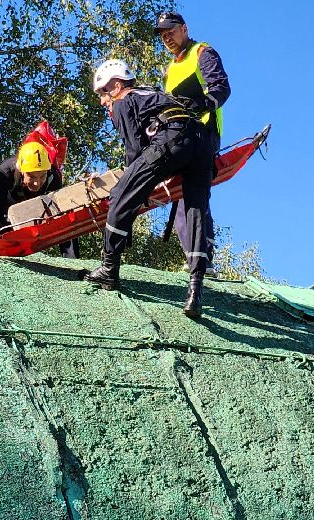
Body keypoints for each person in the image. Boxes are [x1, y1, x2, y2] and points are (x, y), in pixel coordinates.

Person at [83, 59, 216, 318]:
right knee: (196, 210)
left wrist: (134, 187)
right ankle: (196, 290)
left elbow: (134, 149)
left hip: (173, 138)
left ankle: (109, 270)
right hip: (202, 142)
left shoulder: (123, 101)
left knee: (119, 195)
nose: (102, 101)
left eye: (102, 94)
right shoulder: (152, 93)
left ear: (117, 85)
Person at [155, 11, 231, 273]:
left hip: (204, 131)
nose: (167, 39)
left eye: (171, 32)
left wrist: (200, 104)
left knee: (195, 193)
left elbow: (221, 88)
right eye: (163, 36)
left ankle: (204, 259)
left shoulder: (202, 53)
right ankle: (194, 256)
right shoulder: (170, 69)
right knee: (178, 195)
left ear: (184, 29)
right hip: (177, 135)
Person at [0, 140, 65, 233]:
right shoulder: (4, 174)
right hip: (11, 204)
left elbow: (63, 218)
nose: (37, 183)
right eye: (31, 176)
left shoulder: (53, 177)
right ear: (21, 170)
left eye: (42, 176)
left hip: (40, 206)